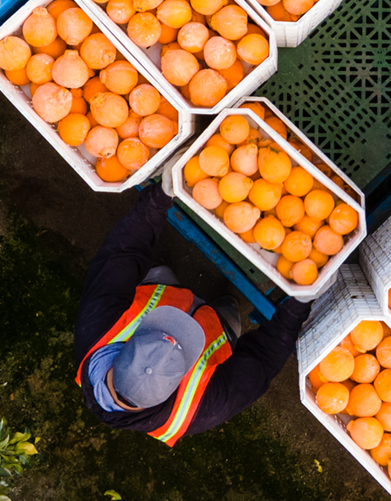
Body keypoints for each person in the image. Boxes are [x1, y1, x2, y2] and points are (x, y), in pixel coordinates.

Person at [75, 190, 310, 445]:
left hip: (162, 291)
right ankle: (224, 310)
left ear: (121, 353)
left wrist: (156, 200)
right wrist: (297, 308)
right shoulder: (200, 410)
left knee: (155, 272)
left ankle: (167, 275)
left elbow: (122, 253)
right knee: (229, 313)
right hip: (214, 329)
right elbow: (262, 360)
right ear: (172, 390)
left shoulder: (96, 330)